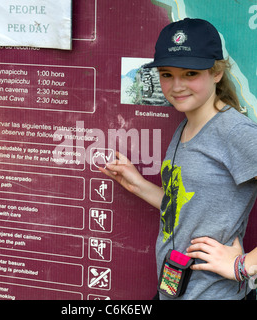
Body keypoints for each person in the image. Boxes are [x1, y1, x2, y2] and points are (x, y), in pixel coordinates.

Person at [100, 18, 257, 300]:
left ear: (217, 72)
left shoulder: (235, 132)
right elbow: (188, 207)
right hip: (174, 291)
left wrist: (244, 265)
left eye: (190, 74)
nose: (176, 86)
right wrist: (137, 184)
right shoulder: (186, 125)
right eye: (167, 74)